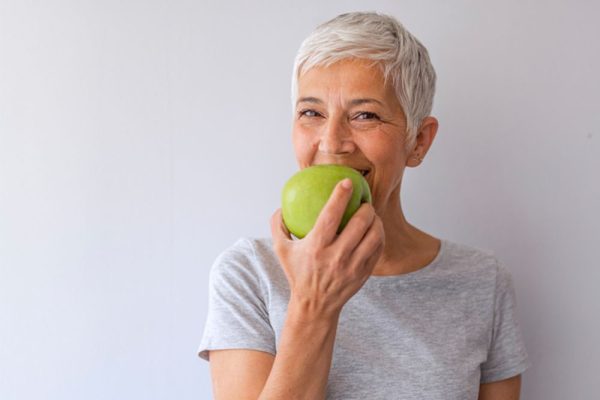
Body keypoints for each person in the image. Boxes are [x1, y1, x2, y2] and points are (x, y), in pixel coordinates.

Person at [198, 11, 530, 400]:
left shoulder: (483, 282)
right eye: (312, 112)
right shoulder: (249, 274)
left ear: (418, 141)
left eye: (365, 115)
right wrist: (315, 303)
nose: (332, 141)